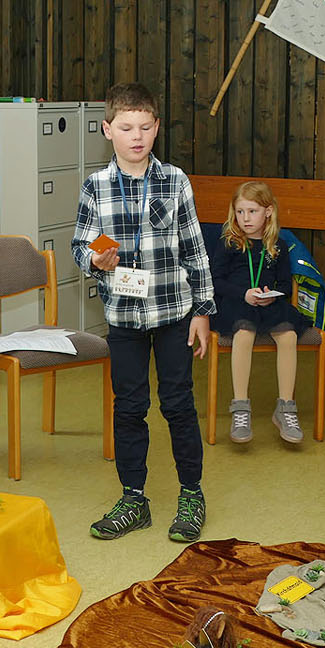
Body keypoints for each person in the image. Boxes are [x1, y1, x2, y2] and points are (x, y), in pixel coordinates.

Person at [72, 82, 215, 544]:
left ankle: (191, 494)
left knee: (178, 404)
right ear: (107, 129)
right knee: (129, 407)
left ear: (157, 128)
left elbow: (195, 248)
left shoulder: (175, 181)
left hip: (174, 313)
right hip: (124, 319)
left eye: (145, 127)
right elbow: (81, 243)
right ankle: (134, 499)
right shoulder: (96, 186)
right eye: (126, 127)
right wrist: (96, 259)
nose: (136, 136)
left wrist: (202, 310)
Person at [209, 181, 308, 446]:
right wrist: (243, 294)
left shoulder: (278, 245)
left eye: (252, 211)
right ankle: (241, 407)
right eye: (240, 211)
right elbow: (216, 280)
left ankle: (285, 407)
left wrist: (272, 295)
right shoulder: (229, 242)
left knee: (288, 335)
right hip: (236, 303)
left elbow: (286, 285)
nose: (245, 218)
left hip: (268, 304)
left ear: (268, 211)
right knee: (244, 332)